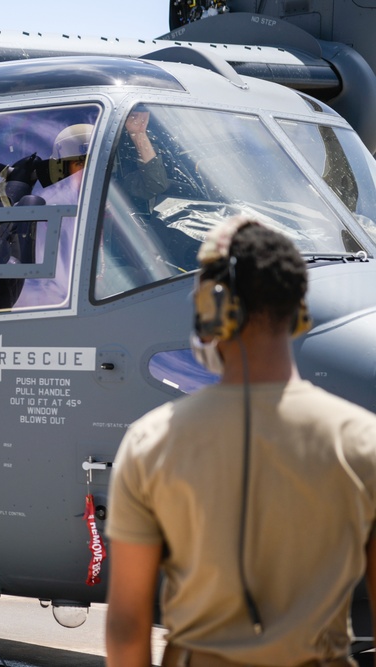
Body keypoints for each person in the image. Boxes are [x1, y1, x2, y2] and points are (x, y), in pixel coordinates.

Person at [104, 216, 376, 667]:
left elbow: (128, 627)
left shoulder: (151, 444)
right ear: (300, 311)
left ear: (213, 311)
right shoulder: (362, 442)